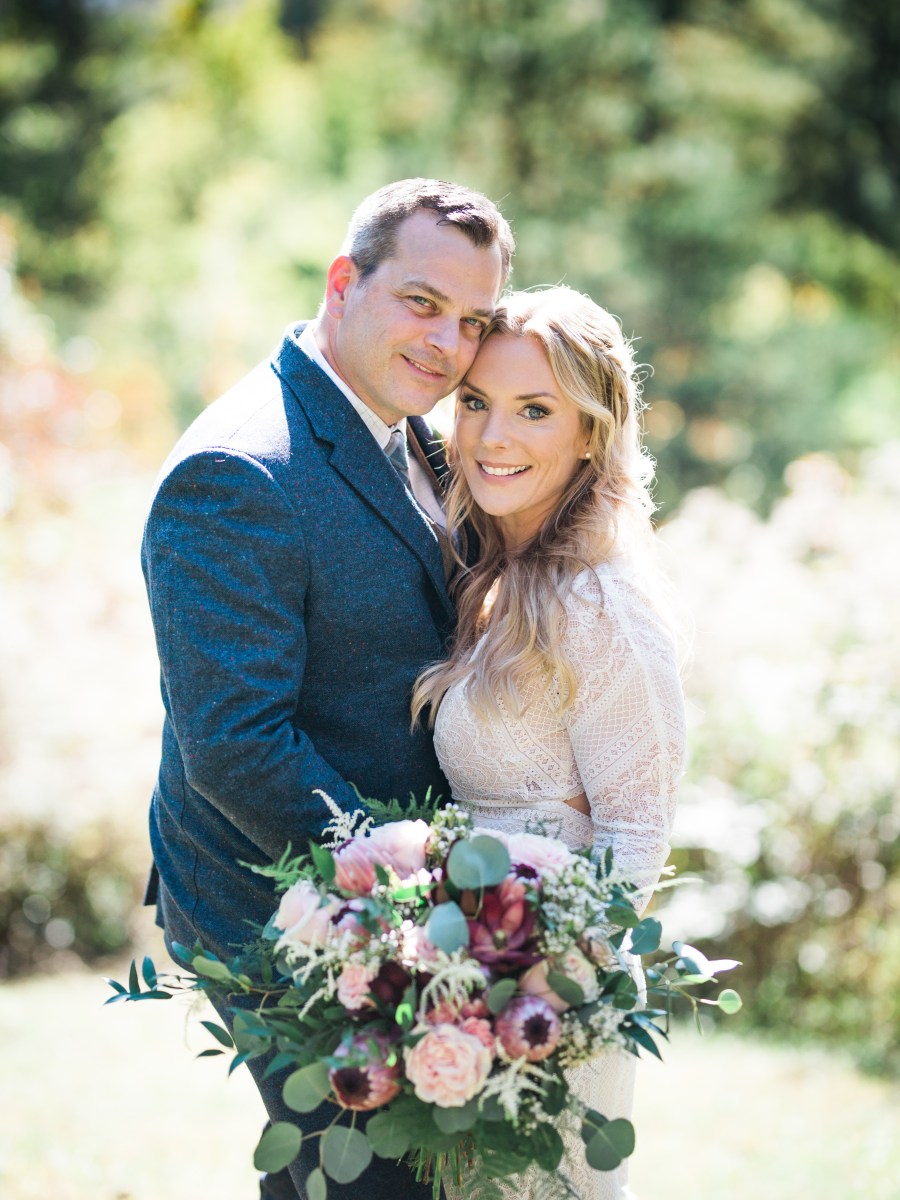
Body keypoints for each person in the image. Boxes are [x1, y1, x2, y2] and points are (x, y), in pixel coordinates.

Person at [141, 178, 513, 1200]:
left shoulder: (409, 431)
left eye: (472, 321)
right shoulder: (239, 472)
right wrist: (407, 893)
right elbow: (237, 743)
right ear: (344, 281)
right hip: (278, 897)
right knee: (361, 1178)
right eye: (422, 303)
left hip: (405, 891)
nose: (447, 343)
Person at [412, 287, 687, 1200]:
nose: (493, 437)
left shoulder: (599, 603)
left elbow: (637, 834)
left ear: (590, 435)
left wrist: (538, 996)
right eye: (476, 402)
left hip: (549, 1012)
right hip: (469, 989)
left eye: (535, 410)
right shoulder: (501, 578)